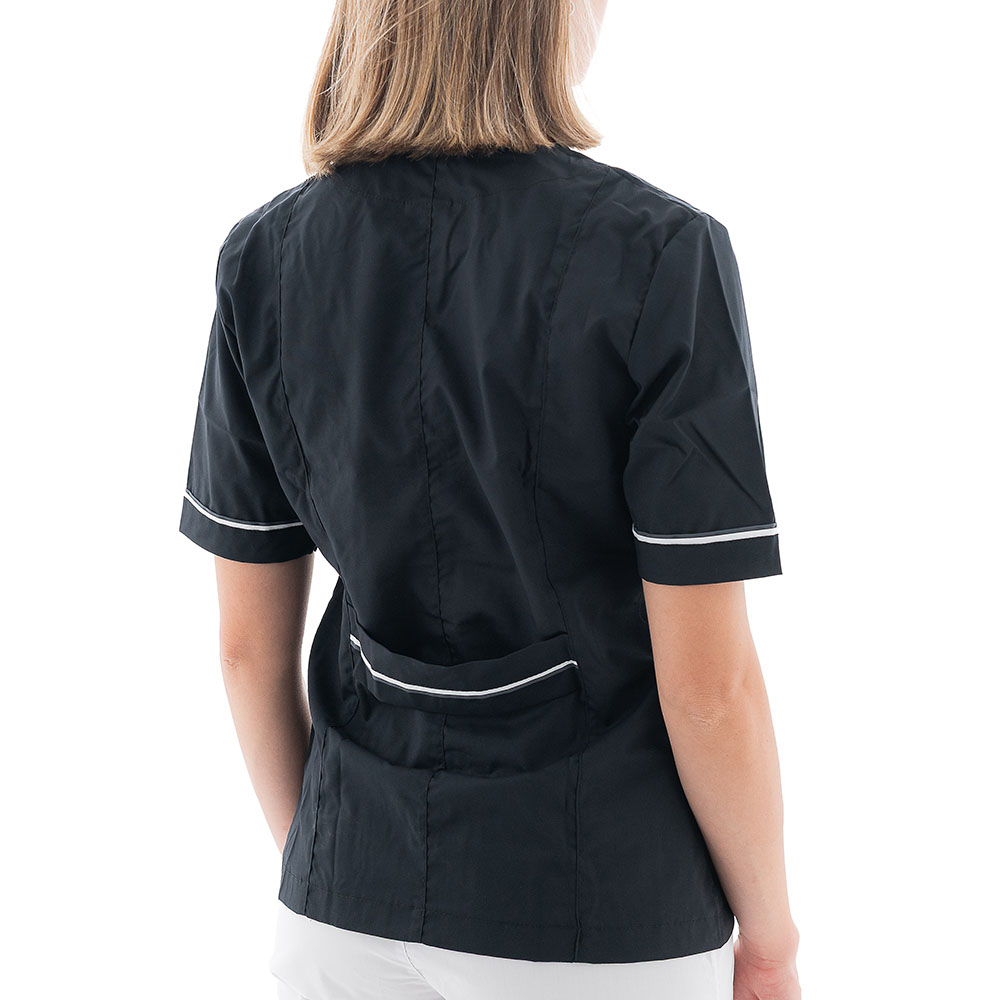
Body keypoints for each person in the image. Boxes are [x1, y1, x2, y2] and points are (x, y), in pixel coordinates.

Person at [177, 1, 802, 998]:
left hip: (341, 907)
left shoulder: (263, 256)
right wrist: (769, 940)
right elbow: (708, 688)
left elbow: (247, 649)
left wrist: (334, 865)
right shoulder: (662, 257)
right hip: (602, 921)